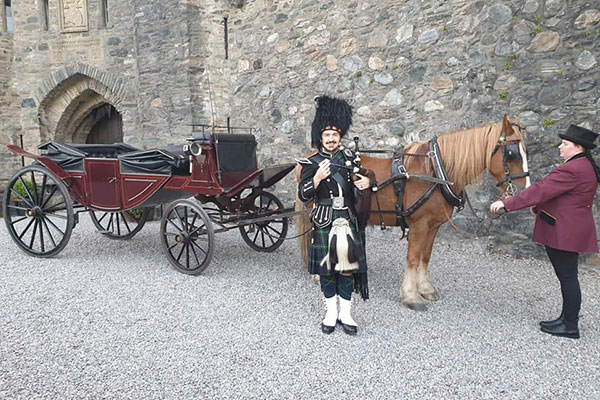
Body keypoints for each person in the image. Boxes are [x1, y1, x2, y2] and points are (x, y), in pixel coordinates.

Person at [490, 124, 600, 339]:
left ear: (578, 147)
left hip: (565, 230)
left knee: (568, 278)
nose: (560, 147)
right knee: (567, 277)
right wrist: (539, 207)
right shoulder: (583, 165)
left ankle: (570, 326)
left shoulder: (574, 168)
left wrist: (507, 203)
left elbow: (542, 189)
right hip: (571, 227)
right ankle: (566, 319)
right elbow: (561, 196)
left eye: (565, 144)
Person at [297, 96, 370, 335]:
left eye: (334, 135)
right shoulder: (311, 161)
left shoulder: (350, 158)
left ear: (340, 136)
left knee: (346, 268)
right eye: (327, 135)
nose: (331, 139)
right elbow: (304, 193)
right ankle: (330, 312)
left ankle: (346, 313)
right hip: (323, 218)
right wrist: (317, 178)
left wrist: (368, 182)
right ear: (321, 137)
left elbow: (365, 179)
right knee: (327, 269)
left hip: (346, 217)